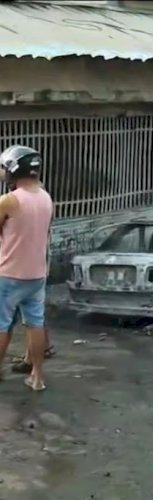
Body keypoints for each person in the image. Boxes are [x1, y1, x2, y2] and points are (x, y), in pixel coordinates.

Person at [0, 145, 53, 391]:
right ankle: (37, 377)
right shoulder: (46, 197)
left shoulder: (8, 201)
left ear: (13, 169)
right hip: (36, 274)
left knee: (1, 325)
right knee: (35, 323)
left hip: (9, 273)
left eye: (3, 167)